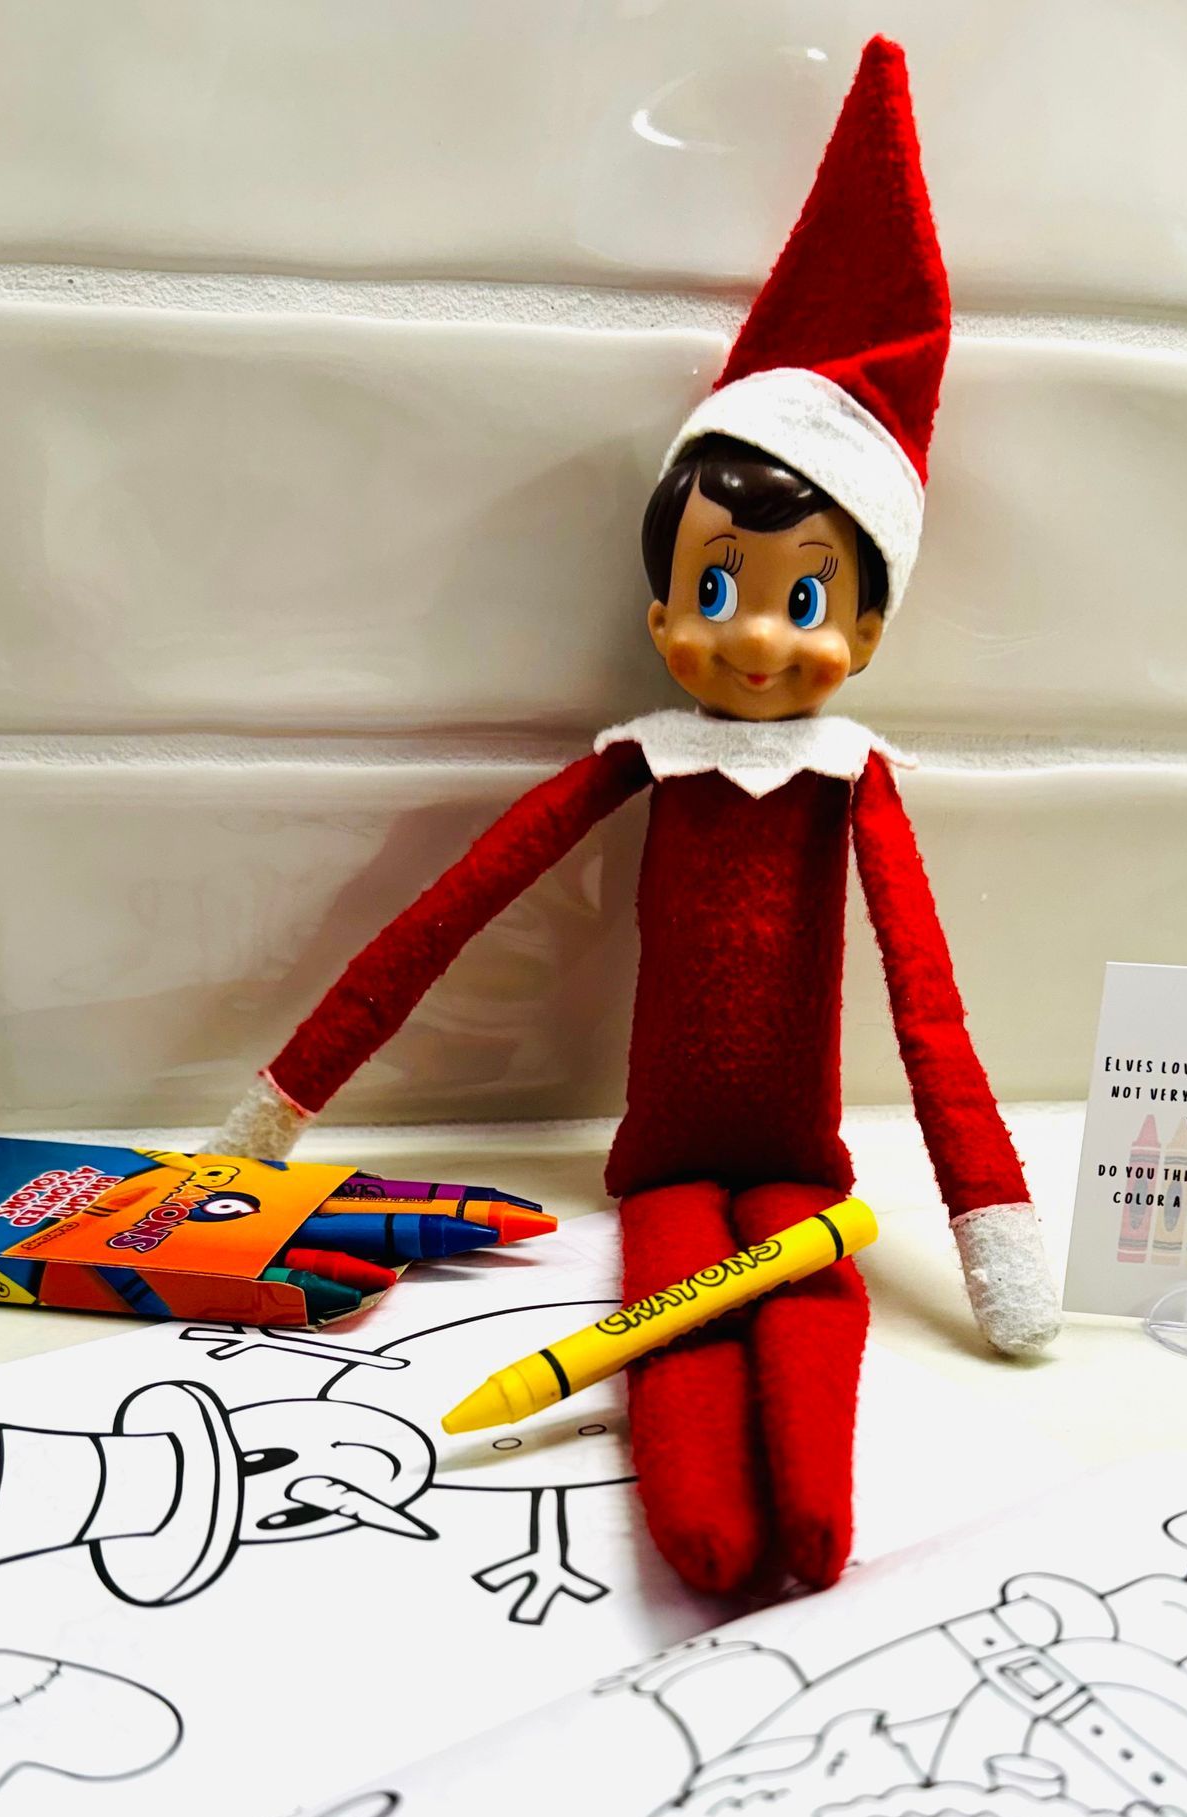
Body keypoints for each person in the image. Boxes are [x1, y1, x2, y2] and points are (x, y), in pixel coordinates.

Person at [213, 38, 1058, 1597]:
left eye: (804, 598)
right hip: (661, 1156)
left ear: (868, 631)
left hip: (803, 1164)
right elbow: (448, 916)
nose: (757, 638)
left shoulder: (852, 781)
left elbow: (930, 1013)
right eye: (716, 593)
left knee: (806, 1309)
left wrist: (989, 1214)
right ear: (661, 613)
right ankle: (706, 1528)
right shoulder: (642, 762)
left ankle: (805, 1522)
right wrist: (285, 1102)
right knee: (670, 1293)